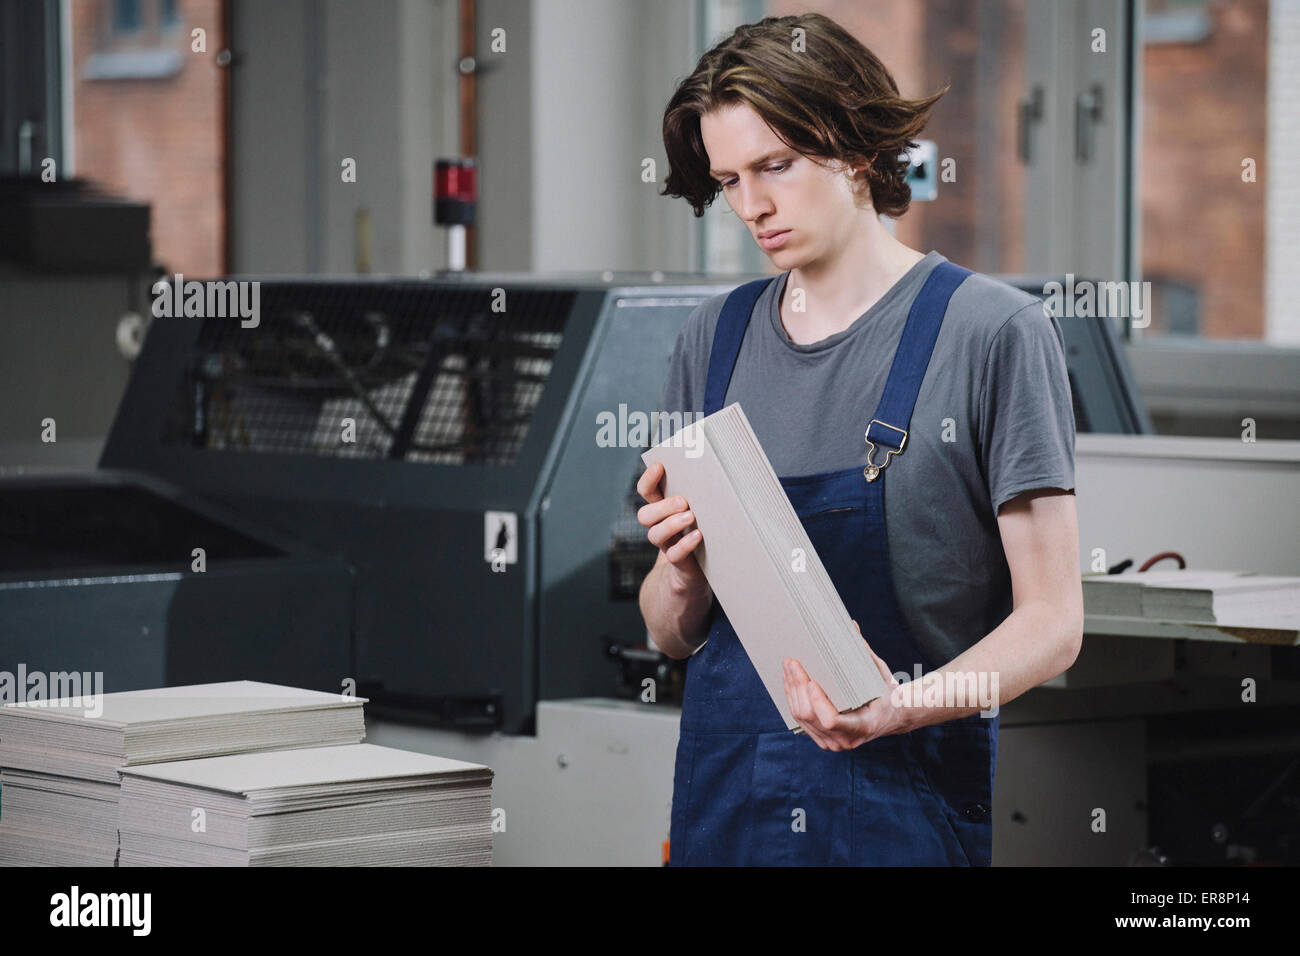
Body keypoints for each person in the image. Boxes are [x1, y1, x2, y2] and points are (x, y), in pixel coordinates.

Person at [637, 12, 1083, 867]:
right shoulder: (713, 339)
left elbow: (1054, 625)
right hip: (728, 808)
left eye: (776, 166)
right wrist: (683, 568)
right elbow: (669, 634)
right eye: (729, 180)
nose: (753, 205)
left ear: (858, 145)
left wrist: (900, 707)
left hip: (904, 808)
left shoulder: (993, 332)